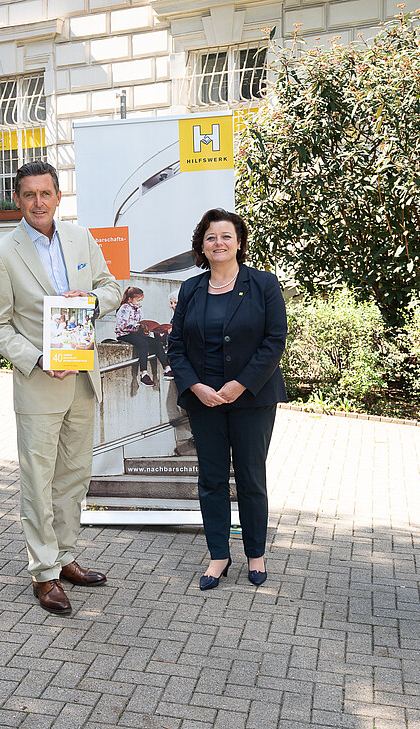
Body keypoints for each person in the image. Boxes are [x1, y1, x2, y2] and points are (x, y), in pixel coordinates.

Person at [0, 161, 122, 616]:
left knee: (74, 477)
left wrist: (94, 302)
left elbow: (110, 286)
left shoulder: (81, 239)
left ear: (59, 197)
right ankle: (43, 574)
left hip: (83, 379)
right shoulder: (2, 253)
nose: (38, 202)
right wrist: (38, 358)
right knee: (39, 484)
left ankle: (64, 557)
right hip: (40, 383)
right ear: (17, 200)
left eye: (46, 193)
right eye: (29, 195)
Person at [167, 208, 287, 590]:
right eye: (210, 237)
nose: (218, 243)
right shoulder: (191, 289)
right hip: (205, 400)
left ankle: (256, 555)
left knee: (252, 478)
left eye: (225, 236)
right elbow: (176, 345)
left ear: (239, 243)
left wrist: (241, 383)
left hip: (252, 398)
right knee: (212, 479)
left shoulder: (264, 284)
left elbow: (274, 341)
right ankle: (218, 555)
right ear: (201, 246)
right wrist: (196, 387)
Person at [115, 286, 172, 387]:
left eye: (141, 300)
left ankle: (167, 369)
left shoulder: (139, 310)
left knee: (156, 342)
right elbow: (122, 326)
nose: (139, 303)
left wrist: (147, 330)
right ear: (130, 299)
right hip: (125, 335)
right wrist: (138, 327)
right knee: (143, 344)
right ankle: (143, 374)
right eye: (138, 300)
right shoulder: (125, 308)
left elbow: (142, 324)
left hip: (137, 334)